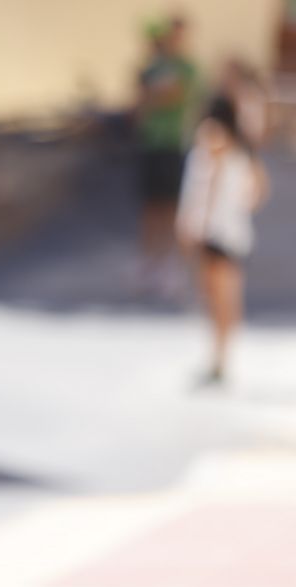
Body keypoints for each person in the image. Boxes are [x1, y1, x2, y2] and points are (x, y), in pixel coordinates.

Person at [176, 96, 269, 384]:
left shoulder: (216, 145)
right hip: (228, 231)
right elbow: (258, 189)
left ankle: (219, 360)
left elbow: (207, 187)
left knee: (219, 298)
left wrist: (197, 222)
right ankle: (219, 358)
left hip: (218, 232)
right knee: (221, 298)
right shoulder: (239, 150)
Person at [134, 16, 198, 298]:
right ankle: (149, 261)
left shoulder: (188, 68)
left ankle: (170, 264)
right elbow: (139, 101)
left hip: (175, 144)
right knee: (151, 205)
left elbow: (176, 97)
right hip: (152, 143)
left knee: (173, 207)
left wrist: (154, 95)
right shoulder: (153, 67)